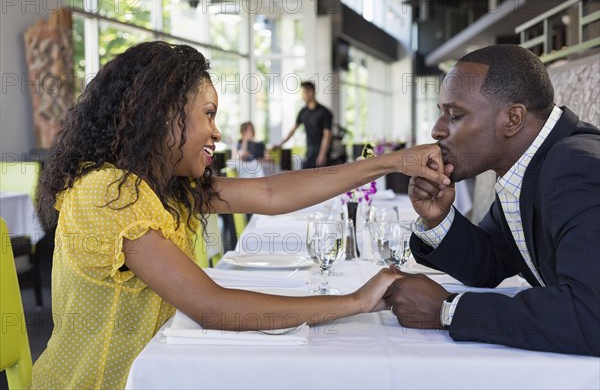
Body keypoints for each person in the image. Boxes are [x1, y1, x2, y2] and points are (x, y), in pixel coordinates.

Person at [32, 41, 451, 389]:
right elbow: (212, 307)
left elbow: (270, 192)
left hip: (155, 374)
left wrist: (389, 163)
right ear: (159, 115)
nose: (217, 132)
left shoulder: (164, 189)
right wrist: (356, 301)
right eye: (208, 114)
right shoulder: (109, 192)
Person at [385, 44, 600, 356]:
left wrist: (448, 310)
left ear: (512, 119)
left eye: (455, 115)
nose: (437, 129)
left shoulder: (575, 166)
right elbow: (490, 264)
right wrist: (439, 218)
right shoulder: (532, 165)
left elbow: (591, 315)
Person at [276, 81, 333, 168]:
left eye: (303, 93)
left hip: (322, 150)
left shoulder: (324, 112)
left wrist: (322, 154)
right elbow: (293, 130)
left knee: (320, 178)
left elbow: (327, 135)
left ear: (311, 92)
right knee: (305, 173)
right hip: (309, 150)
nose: (302, 96)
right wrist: (280, 143)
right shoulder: (303, 112)